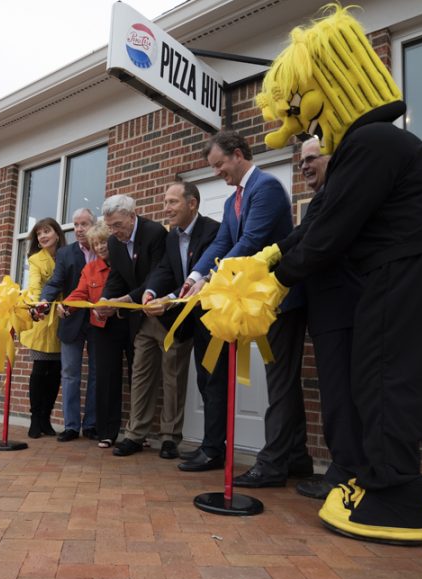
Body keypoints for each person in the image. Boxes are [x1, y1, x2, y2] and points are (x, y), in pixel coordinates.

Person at [257, 5, 422, 543]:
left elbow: (327, 234)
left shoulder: (367, 145)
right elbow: (318, 227)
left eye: (303, 107)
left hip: (397, 271)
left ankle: (391, 497)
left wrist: (273, 279)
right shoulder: (389, 145)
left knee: (387, 377)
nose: (305, 126)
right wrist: (269, 258)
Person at [183, 131, 312, 487]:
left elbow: (251, 241)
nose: (216, 173)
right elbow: (224, 241)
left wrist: (214, 277)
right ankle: (297, 457)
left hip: (282, 302)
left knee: (280, 383)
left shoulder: (267, 188)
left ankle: (271, 466)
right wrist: (196, 275)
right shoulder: (230, 203)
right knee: (283, 381)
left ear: (238, 154)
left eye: (219, 164)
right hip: (260, 305)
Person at [278, 137, 366, 499]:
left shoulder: (340, 195)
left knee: (341, 395)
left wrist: (273, 276)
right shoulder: (321, 200)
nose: (305, 167)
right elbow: (298, 237)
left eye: (313, 158)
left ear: (336, 158)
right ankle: (347, 466)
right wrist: (263, 259)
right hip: (329, 312)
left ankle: (346, 471)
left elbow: (313, 246)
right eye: (301, 163)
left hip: (343, 309)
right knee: (336, 394)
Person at [139, 181, 224, 470]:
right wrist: (151, 291)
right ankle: (211, 446)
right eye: (165, 202)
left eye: (173, 202)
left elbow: (203, 274)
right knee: (203, 380)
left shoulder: (214, 230)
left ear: (192, 204)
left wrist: (170, 298)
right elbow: (165, 269)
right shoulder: (171, 237)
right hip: (187, 319)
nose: (167, 208)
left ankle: (213, 450)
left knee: (213, 381)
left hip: (212, 319)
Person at [92, 194, 177, 459]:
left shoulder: (154, 233)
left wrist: (123, 300)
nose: (114, 232)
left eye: (117, 225)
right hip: (140, 320)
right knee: (140, 375)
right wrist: (106, 298)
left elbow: (158, 277)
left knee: (171, 376)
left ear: (132, 216)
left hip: (166, 314)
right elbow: (117, 277)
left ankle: (169, 438)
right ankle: (135, 434)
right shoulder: (115, 244)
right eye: (110, 226)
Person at [62, 220, 132, 448]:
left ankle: (136, 433)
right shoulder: (90, 269)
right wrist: (66, 306)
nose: (100, 247)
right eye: (96, 244)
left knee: (136, 378)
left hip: (130, 324)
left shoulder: (128, 262)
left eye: (103, 242)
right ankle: (107, 432)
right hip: (102, 328)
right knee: (106, 380)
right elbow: (80, 293)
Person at [37, 208, 98, 442]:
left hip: (99, 321)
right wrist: (45, 300)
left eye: (84, 224)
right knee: (70, 373)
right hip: (70, 319)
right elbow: (56, 282)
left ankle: (91, 425)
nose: (80, 229)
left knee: (96, 373)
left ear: (94, 225)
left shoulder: (105, 249)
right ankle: (71, 426)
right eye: (76, 225)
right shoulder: (65, 253)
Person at [20, 217, 66, 438]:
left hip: (63, 319)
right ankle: (35, 419)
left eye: (47, 231)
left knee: (55, 373)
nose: (43, 236)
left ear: (57, 233)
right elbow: (35, 286)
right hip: (41, 318)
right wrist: (39, 306)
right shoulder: (36, 259)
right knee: (39, 371)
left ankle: (47, 418)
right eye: (39, 234)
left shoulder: (68, 255)